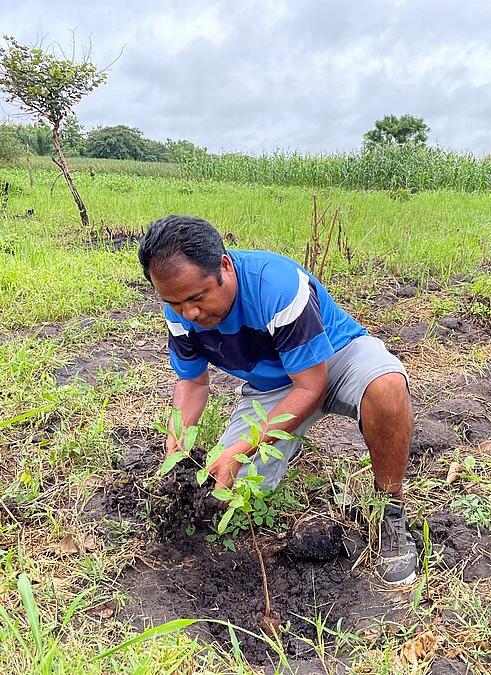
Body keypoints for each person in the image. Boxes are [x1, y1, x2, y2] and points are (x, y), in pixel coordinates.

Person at [138, 215, 418, 585]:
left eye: (197, 297)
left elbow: (311, 386)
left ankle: (391, 507)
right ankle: (287, 435)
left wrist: (243, 447)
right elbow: (192, 383)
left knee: (386, 386)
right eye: (173, 302)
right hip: (273, 386)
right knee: (230, 495)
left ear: (224, 265)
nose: (189, 312)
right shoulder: (180, 310)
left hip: (333, 358)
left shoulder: (277, 286)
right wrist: (177, 438)